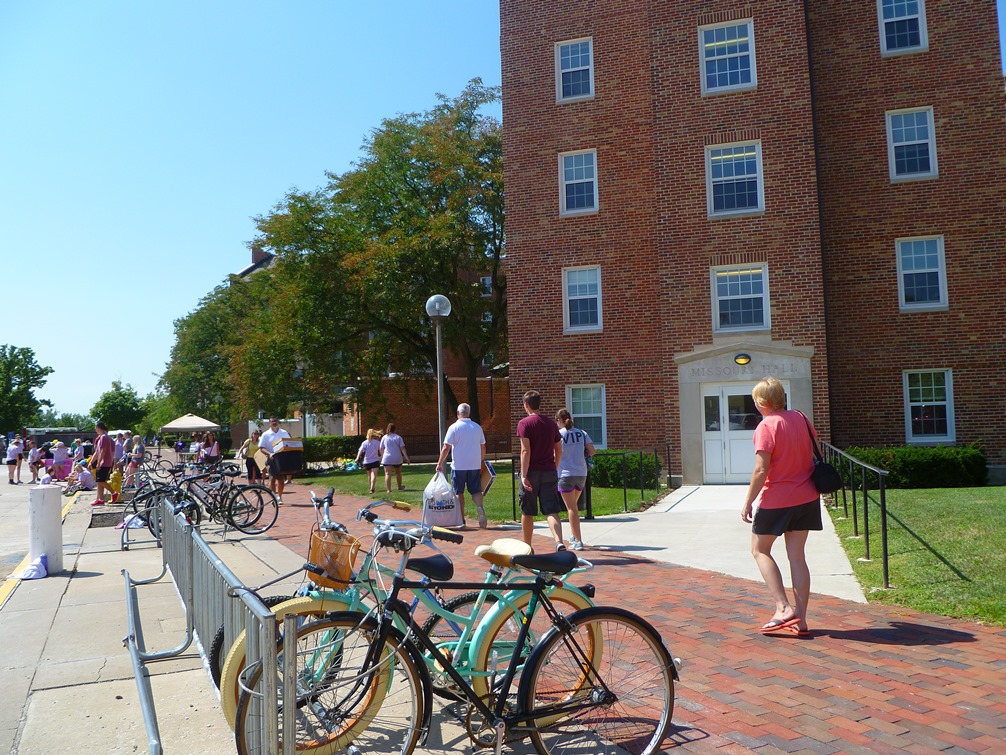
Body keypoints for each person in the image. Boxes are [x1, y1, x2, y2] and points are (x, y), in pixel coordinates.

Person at [741, 376, 822, 637]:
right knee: (797, 557)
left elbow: (761, 469)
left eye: (755, 399)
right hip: (807, 497)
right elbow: (815, 451)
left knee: (759, 549)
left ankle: (782, 607)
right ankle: (801, 619)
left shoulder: (767, 426)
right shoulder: (801, 418)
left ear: (762, 401)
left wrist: (748, 501)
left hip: (777, 499)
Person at [516, 390, 565, 550]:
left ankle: (528, 547)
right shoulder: (551, 424)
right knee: (551, 510)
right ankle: (559, 542)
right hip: (549, 471)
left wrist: (523, 476)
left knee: (528, 511)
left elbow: (525, 451)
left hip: (531, 472)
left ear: (526, 405)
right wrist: (555, 467)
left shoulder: (524, 424)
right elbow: (559, 449)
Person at [436, 404, 488, 529]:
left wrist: (439, 463)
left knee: (459, 492)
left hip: (459, 465)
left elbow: (446, 447)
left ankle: (461, 519)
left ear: (458, 413)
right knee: (476, 490)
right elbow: (483, 446)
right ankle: (480, 507)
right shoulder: (477, 427)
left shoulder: (454, 428)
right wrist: (481, 459)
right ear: (469, 413)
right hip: (474, 464)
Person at [555, 408, 596, 551]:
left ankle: (578, 541)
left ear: (559, 420)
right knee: (573, 507)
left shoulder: (558, 435)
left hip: (565, 474)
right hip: (581, 473)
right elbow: (592, 451)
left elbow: (553, 453)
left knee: (571, 508)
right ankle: (573, 536)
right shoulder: (582, 433)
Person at [258, 417, 291, 503]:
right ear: (269, 423)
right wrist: (269, 454)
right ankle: (273, 496)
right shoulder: (265, 434)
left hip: (281, 459)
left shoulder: (284, 433)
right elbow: (261, 448)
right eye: (272, 421)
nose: (274, 423)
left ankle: (279, 497)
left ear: (278, 422)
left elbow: (289, 443)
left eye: (276, 421)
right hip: (271, 459)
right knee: (272, 477)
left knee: (280, 479)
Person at [379, 423, 410, 493]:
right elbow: (402, 448)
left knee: (387, 474)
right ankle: (399, 486)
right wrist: (406, 457)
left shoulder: (384, 437)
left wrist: (382, 456)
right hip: (397, 458)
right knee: (398, 473)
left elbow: (381, 448)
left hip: (387, 458)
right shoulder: (398, 437)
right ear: (395, 429)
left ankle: (388, 489)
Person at [90, 421, 116, 506]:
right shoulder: (103, 437)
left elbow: (103, 451)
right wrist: (91, 462)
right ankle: (100, 499)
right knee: (99, 481)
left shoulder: (104, 437)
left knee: (100, 481)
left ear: (98, 428)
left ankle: (113, 493)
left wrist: (98, 463)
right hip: (105, 462)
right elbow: (97, 452)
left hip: (104, 462)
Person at [355, 429, 383, 494]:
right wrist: (382, 456)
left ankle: (371, 487)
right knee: (374, 475)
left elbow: (360, 450)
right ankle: (372, 487)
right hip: (375, 460)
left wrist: (357, 458)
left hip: (367, 461)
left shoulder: (365, 443)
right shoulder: (377, 442)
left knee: (369, 475)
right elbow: (381, 450)